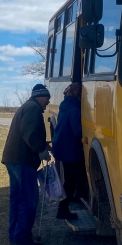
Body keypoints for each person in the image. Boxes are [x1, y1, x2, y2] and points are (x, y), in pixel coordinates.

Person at [1, 84, 51, 245]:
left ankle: (15, 235)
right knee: (29, 200)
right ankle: (22, 237)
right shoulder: (33, 108)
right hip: (23, 161)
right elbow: (29, 133)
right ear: (39, 97)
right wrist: (41, 150)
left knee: (17, 199)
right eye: (47, 98)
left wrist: (43, 144)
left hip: (14, 159)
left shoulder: (27, 106)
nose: (48, 102)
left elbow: (27, 133)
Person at [51, 83, 88, 221]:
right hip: (70, 149)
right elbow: (77, 130)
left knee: (70, 177)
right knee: (70, 180)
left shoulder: (65, 105)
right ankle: (63, 209)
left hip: (62, 147)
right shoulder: (75, 110)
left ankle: (75, 195)